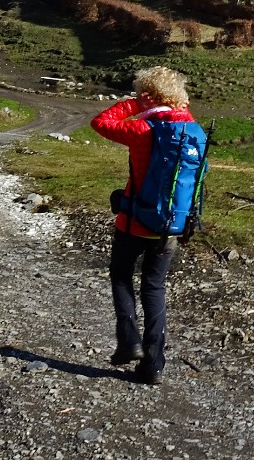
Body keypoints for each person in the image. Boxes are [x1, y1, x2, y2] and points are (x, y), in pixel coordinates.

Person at [90, 65, 198, 385]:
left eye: (140, 93)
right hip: (172, 227)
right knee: (154, 286)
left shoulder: (142, 129)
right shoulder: (192, 129)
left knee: (121, 274)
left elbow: (101, 123)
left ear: (146, 96)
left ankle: (128, 341)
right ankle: (153, 364)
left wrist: (134, 105)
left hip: (134, 222)